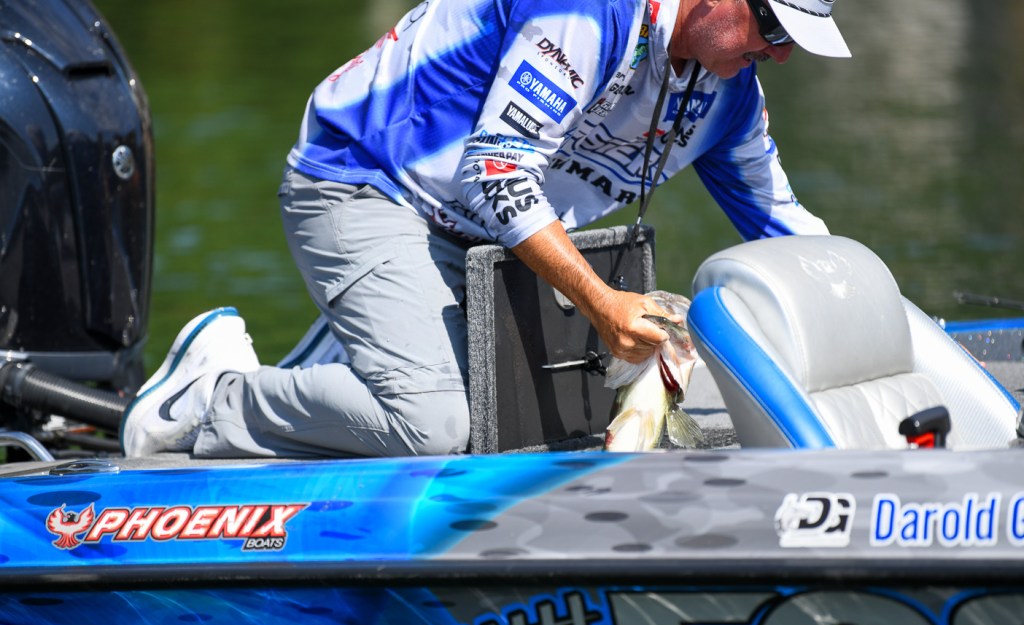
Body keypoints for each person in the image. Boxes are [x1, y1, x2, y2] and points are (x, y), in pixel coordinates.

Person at [120, 0, 851, 459]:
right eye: (775, 27)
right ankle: (214, 394)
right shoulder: (586, 12)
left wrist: (877, 331)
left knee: (534, 417)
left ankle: (350, 350)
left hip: (486, 238)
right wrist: (603, 304)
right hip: (366, 181)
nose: (783, 53)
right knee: (435, 426)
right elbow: (497, 170)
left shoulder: (728, 93)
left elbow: (792, 235)